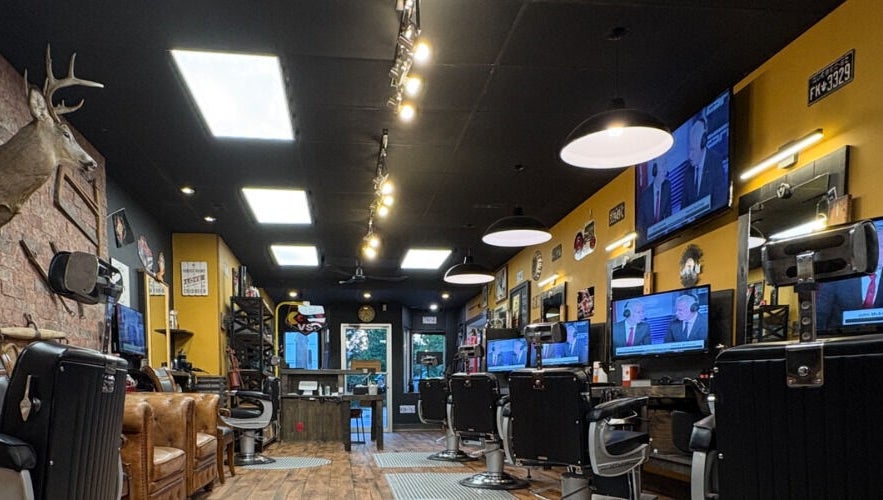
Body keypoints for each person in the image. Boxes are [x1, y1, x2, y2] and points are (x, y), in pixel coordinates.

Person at [816, 230, 883, 330]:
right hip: (842, 340)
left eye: (881, 246)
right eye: (873, 246)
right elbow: (819, 316)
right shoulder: (837, 276)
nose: (877, 251)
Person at [680, 117, 727, 209]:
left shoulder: (715, 161)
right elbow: (683, 208)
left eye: (693, 150)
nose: (690, 156)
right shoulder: (688, 172)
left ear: (703, 142)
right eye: (689, 150)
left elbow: (720, 199)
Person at [637, 159, 672, 232]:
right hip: (648, 237)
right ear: (655, 171)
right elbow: (640, 223)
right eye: (663, 166)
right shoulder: (645, 195)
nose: (665, 171)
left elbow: (669, 213)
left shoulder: (667, 186)